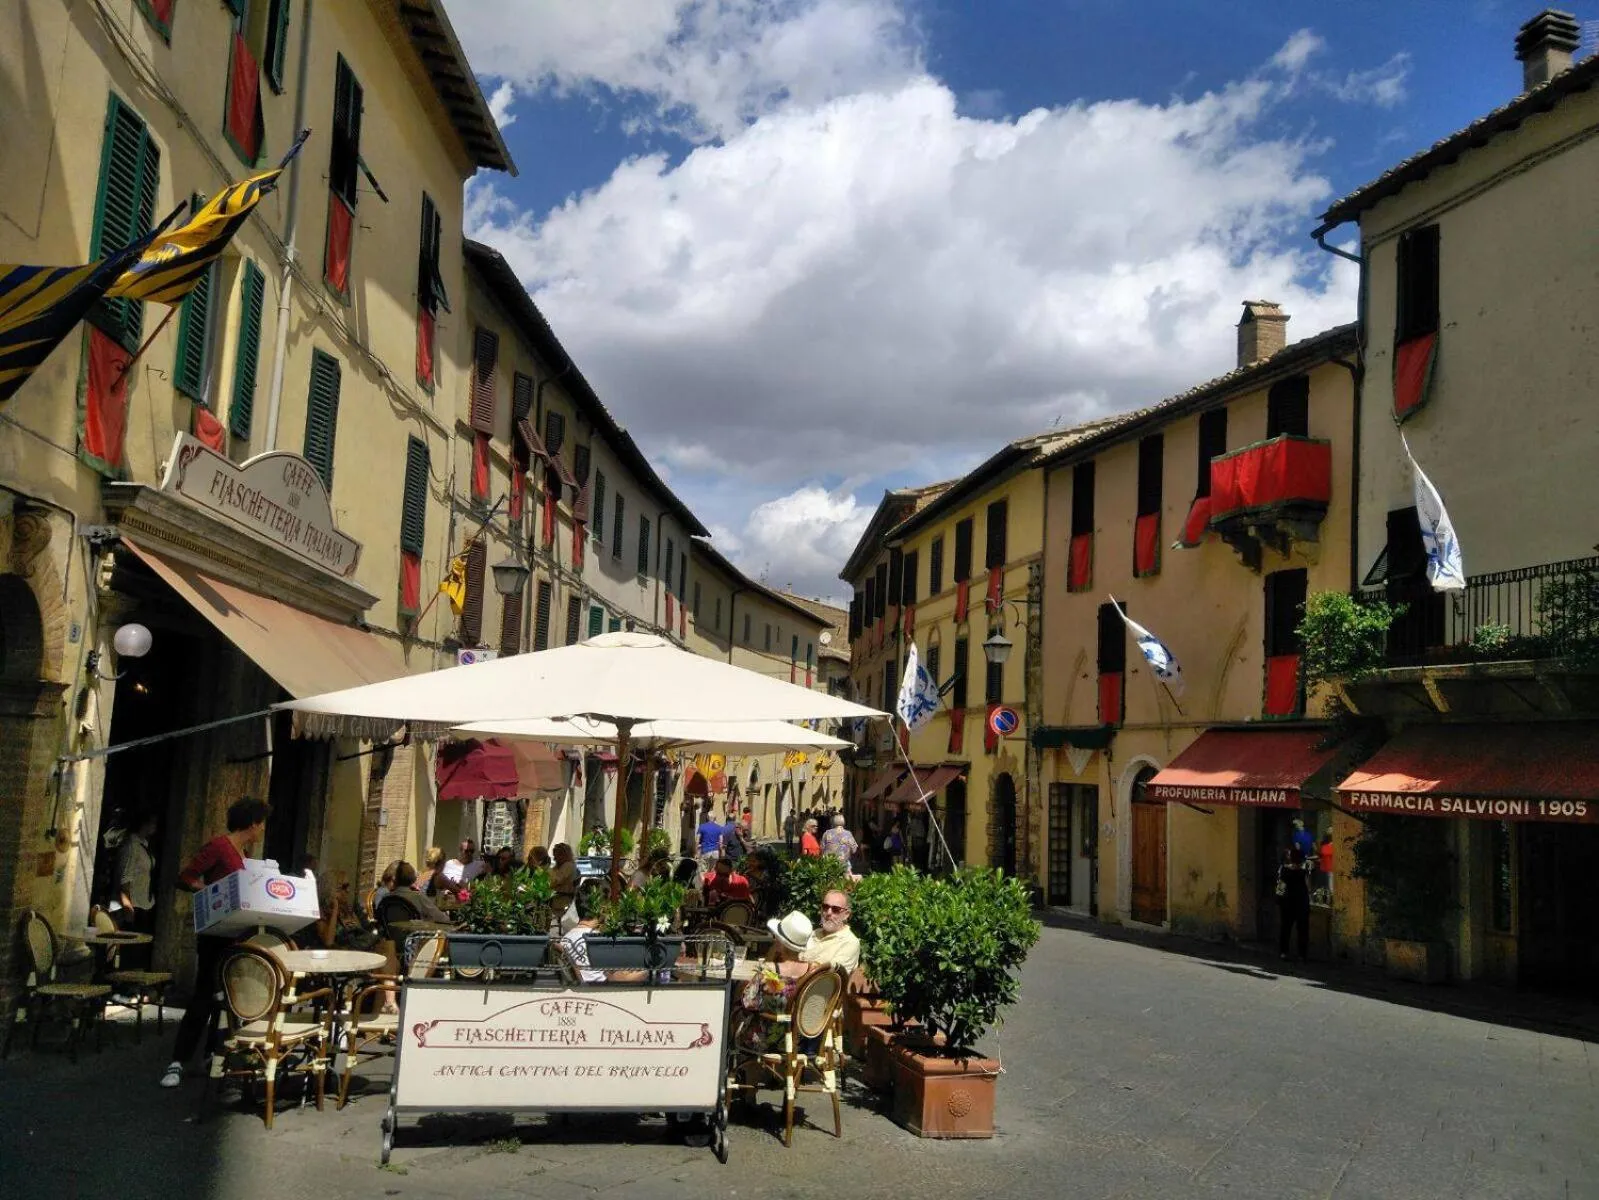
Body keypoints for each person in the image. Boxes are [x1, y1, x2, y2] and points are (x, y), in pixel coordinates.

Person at [160, 796, 270, 1089]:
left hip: (235, 936)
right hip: (214, 935)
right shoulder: (219, 847)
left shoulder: (244, 854)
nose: (262, 830)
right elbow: (186, 877)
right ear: (252, 823)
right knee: (204, 996)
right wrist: (212, 892)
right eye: (261, 824)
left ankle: (212, 1055)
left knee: (227, 1000)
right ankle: (177, 1061)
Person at [116, 813, 158, 946]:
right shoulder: (132, 846)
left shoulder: (144, 845)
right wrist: (128, 907)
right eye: (153, 823)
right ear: (144, 824)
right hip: (134, 906)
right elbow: (125, 878)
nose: (155, 827)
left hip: (145, 903)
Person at [800, 888, 861, 973]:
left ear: (846, 915)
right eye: (825, 907)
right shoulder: (813, 933)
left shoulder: (850, 943)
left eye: (835, 909)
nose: (829, 913)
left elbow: (829, 976)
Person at [1276, 844, 1312, 962]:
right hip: (1301, 902)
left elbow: (1280, 887)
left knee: (1285, 928)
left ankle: (1283, 952)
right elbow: (1309, 887)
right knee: (1302, 930)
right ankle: (1302, 955)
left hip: (1287, 903)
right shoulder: (1303, 872)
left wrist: (1279, 900)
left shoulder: (1284, 870)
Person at [387, 861, 454, 924]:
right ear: (412, 877)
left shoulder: (386, 897)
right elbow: (439, 917)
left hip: (390, 932)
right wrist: (450, 919)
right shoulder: (418, 897)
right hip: (415, 932)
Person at [549, 843, 579, 918]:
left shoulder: (568, 866)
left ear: (564, 855)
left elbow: (555, 881)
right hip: (559, 897)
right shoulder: (564, 865)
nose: (555, 859)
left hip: (562, 899)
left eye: (557, 856)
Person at [696, 805, 726, 870]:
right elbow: (721, 842)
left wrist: (696, 852)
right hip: (715, 852)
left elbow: (697, 841)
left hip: (705, 851)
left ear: (707, 817)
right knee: (713, 870)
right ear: (715, 818)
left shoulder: (702, 826)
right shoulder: (719, 828)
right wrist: (721, 852)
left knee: (703, 870)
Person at [1317, 832, 1335, 897]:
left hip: (1327, 868)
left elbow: (1321, 853)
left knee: (1329, 882)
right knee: (1330, 882)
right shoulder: (1330, 847)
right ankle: (1330, 895)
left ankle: (1330, 895)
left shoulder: (1325, 847)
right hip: (1329, 868)